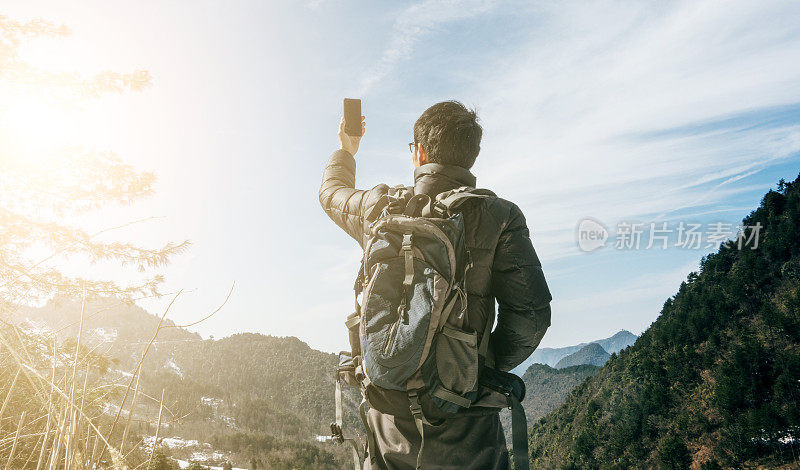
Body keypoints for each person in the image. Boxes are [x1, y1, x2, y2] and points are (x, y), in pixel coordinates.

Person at [319, 101, 552, 470]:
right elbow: (531, 317)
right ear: (471, 156)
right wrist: (471, 365)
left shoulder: (379, 209)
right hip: (468, 427)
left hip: (389, 424)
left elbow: (331, 192)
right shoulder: (499, 216)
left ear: (420, 152)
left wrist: (346, 148)